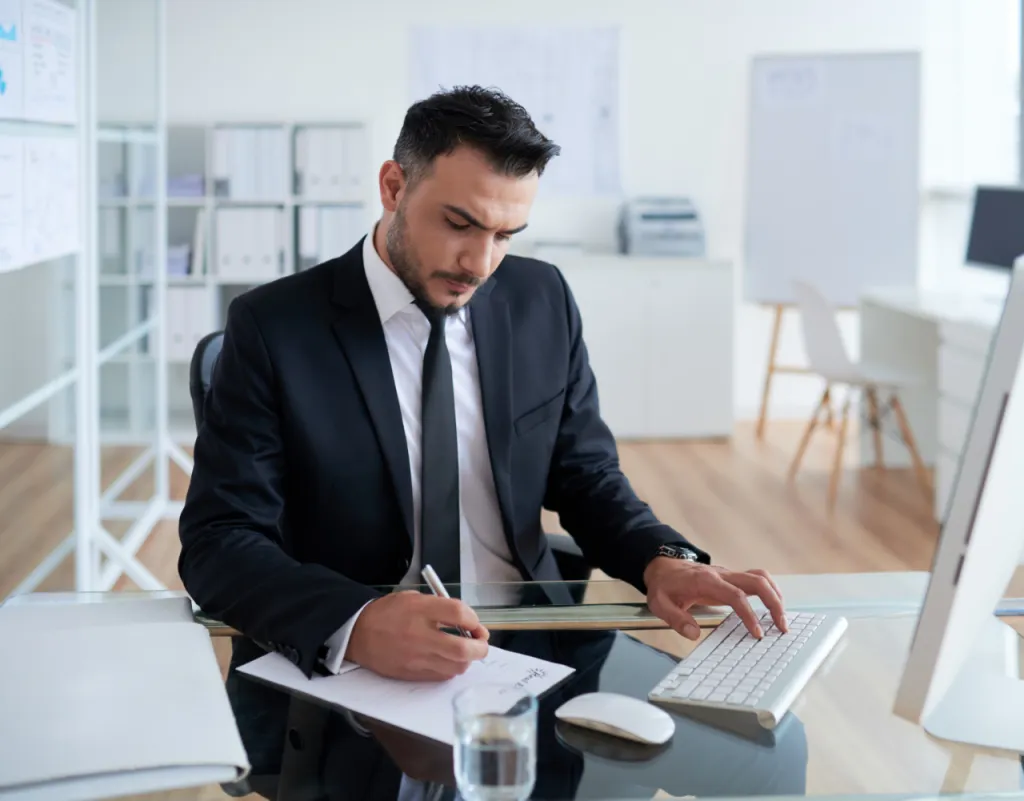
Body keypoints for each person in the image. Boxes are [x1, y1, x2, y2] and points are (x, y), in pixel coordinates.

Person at [178, 85, 787, 692]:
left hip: (532, 638)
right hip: (355, 661)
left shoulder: (540, 298)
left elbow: (586, 475)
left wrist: (661, 558)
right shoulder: (273, 327)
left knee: (762, 756)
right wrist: (356, 622)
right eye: (459, 224)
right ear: (394, 187)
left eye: (506, 235)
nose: (479, 263)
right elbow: (220, 541)